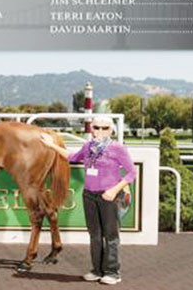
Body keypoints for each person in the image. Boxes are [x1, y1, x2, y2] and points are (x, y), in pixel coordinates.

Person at [40, 116, 135, 285]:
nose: (100, 131)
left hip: (109, 196)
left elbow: (131, 173)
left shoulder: (117, 148)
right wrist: (51, 145)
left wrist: (114, 190)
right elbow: (72, 157)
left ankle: (113, 272)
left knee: (111, 235)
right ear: (92, 129)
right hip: (89, 195)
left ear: (111, 130)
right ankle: (97, 270)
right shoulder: (89, 146)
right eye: (96, 127)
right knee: (95, 235)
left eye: (104, 128)